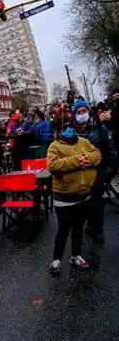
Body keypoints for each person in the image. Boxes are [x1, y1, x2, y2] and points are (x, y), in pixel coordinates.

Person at [47, 126, 101, 274]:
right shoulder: (55, 146)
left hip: (83, 195)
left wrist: (87, 158)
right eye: (65, 128)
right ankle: (57, 259)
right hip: (63, 197)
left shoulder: (84, 142)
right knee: (63, 229)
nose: (69, 130)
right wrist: (77, 160)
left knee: (78, 228)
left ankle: (75, 256)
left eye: (71, 127)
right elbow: (53, 165)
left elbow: (97, 155)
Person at [70, 100, 116, 245]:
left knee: (97, 200)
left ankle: (98, 229)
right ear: (74, 115)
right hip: (80, 172)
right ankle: (90, 223)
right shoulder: (71, 131)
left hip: (97, 170)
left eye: (84, 111)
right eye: (79, 112)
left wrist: (110, 165)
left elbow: (108, 147)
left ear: (89, 111)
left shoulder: (99, 127)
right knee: (84, 201)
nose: (82, 114)